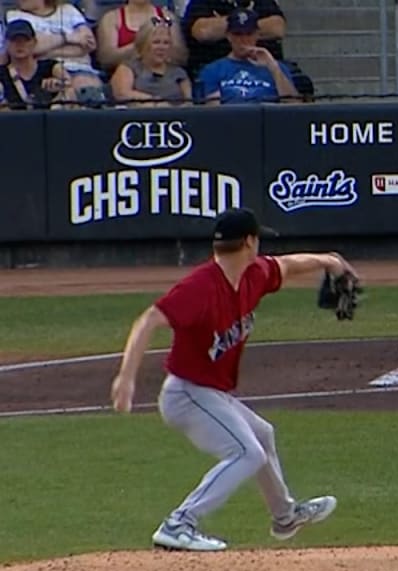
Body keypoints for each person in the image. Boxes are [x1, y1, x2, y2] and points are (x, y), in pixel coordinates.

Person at [109, 207, 357, 551]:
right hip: (187, 395)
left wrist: (329, 261)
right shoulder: (199, 287)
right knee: (247, 452)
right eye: (259, 239)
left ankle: (285, 517)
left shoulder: (253, 274)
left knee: (262, 435)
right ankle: (179, 522)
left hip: (212, 394)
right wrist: (126, 379)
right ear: (250, 242)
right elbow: (148, 320)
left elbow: (288, 264)